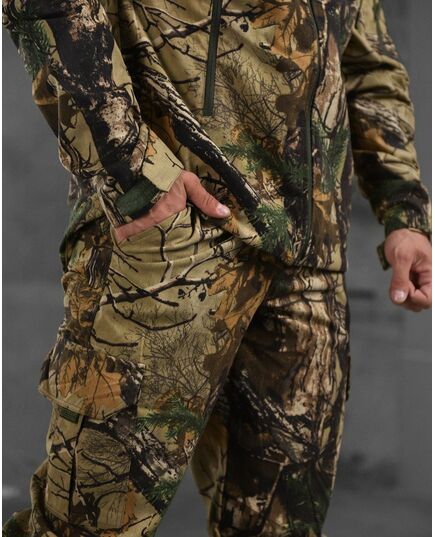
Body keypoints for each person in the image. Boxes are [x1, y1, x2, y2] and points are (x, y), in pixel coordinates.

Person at [2, 0, 431, 535]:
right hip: (173, 251)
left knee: (283, 528)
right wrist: (138, 173)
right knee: (86, 525)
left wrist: (404, 210)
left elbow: (367, 65)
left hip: (309, 263)